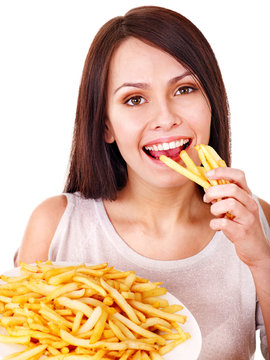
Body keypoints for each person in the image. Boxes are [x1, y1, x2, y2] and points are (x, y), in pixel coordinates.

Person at [15, 6, 270, 359]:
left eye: (184, 89)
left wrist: (260, 259)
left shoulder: (254, 221)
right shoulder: (56, 226)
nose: (165, 118)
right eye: (135, 99)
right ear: (105, 125)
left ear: (212, 102)